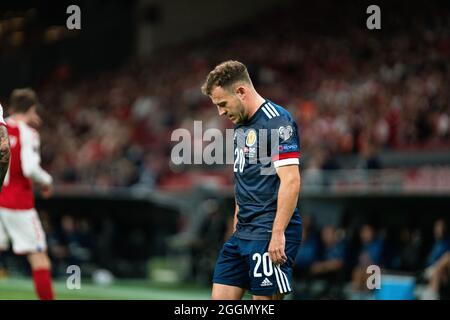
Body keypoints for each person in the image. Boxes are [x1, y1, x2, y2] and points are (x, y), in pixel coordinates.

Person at [201, 61, 302, 300]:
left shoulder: (277, 121)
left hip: (269, 231)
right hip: (243, 232)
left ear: (241, 92)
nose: (221, 112)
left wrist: (278, 233)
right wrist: (236, 222)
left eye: (222, 103)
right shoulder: (240, 126)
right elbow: (245, 178)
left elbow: (291, 181)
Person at [0, 88, 55, 300]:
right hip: (19, 204)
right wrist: (47, 181)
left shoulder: (2, 128)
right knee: (39, 257)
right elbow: (30, 169)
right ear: (32, 109)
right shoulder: (29, 133)